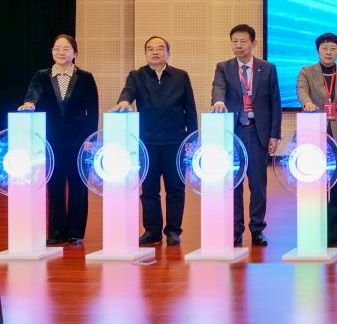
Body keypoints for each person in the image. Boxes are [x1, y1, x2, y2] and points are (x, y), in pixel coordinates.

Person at [114, 36, 198, 246]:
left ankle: (173, 231)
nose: (155, 52)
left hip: (175, 141)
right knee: (149, 189)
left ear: (168, 53)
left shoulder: (180, 76)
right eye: (150, 49)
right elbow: (128, 92)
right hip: (147, 142)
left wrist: (192, 138)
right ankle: (152, 230)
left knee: (175, 189)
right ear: (145, 54)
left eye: (160, 48)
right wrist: (123, 101)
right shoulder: (136, 76)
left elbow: (190, 109)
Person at [18, 34, 99, 246]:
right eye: (56, 49)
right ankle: (56, 231)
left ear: (75, 53)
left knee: (78, 186)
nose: (60, 52)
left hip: (79, 141)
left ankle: (75, 231)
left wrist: (91, 138)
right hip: (51, 140)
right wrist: (29, 102)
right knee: (54, 186)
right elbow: (33, 91)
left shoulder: (86, 77)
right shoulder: (42, 75)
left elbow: (93, 110)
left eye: (65, 49)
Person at [211, 24, 282, 248]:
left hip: (257, 132)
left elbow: (275, 103)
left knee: (258, 184)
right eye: (234, 41)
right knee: (234, 183)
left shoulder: (267, 68)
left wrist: (274, 135)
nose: (238, 46)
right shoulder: (223, 67)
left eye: (243, 41)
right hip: (233, 132)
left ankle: (257, 229)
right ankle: (235, 229)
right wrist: (218, 102)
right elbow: (218, 88)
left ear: (253, 43)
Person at [297, 33, 337, 248]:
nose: (328, 52)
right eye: (324, 48)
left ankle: (333, 234)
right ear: (318, 51)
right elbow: (301, 91)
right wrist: (307, 103)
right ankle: (314, 229)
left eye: (333, 49)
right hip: (314, 133)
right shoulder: (306, 72)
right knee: (314, 185)